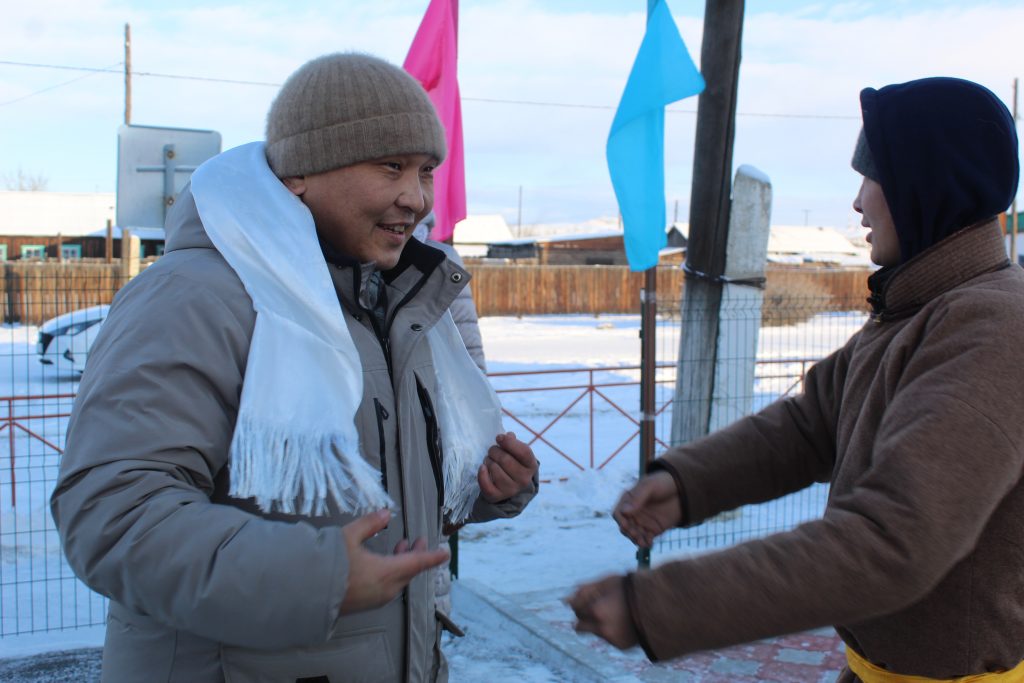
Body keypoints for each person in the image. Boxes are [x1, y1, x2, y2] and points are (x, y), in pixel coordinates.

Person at [51, 52, 538, 683]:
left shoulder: (392, 306)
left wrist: (483, 487)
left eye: (425, 171)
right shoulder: (195, 295)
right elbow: (114, 515)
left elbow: (378, 496)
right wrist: (314, 578)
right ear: (302, 173)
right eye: (390, 166)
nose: (416, 199)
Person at [569, 76, 1024, 682]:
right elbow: (810, 426)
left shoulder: (992, 327)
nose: (858, 203)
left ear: (927, 184)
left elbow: (893, 542)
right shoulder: (919, 309)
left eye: (873, 175)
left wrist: (662, 604)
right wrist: (687, 482)